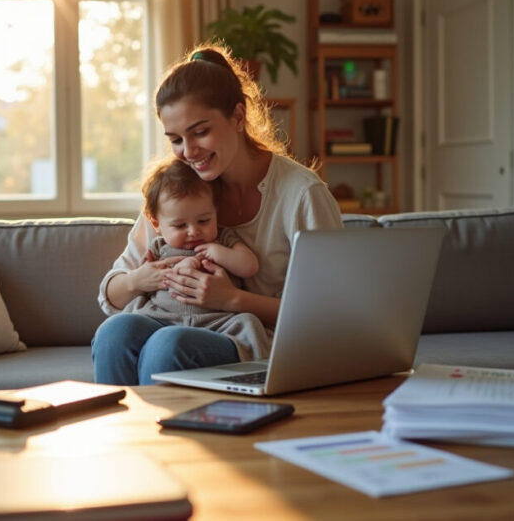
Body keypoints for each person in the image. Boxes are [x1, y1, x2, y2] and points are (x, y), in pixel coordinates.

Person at [92, 43, 343, 385]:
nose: (188, 152)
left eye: (200, 132)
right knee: (114, 334)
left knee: (168, 346)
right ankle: (126, 423)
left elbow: (330, 311)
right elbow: (111, 294)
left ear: (238, 117)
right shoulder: (178, 189)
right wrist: (140, 280)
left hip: (257, 339)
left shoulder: (301, 194)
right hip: (170, 322)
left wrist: (233, 299)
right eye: (176, 139)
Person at [123, 156, 271, 360]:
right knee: (119, 326)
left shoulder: (222, 239)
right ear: (156, 224)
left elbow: (249, 266)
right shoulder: (158, 247)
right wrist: (145, 273)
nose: (193, 231)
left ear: (216, 213)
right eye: (180, 225)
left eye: (203, 221)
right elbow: (146, 280)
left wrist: (217, 252)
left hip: (217, 321)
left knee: (247, 323)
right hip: (162, 316)